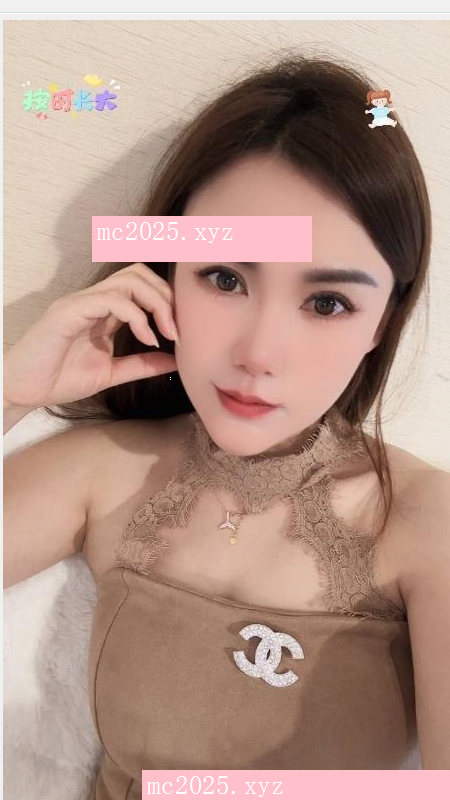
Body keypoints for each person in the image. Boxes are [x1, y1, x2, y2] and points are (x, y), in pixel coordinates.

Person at [4, 55, 450, 789]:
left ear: (381, 321)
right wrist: (11, 390)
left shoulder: (426, 521)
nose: (258, 355)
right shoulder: (101, 469)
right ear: (166, 272)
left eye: (328, 302)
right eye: (225, 277)